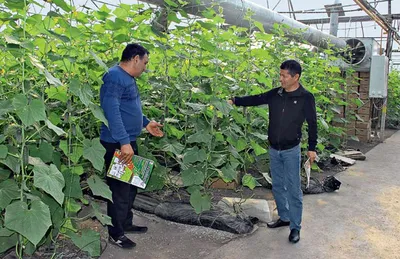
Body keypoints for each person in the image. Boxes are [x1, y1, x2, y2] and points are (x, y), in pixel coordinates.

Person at [228, 60, 317, 243]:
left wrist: (312, 148)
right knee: (277, 186)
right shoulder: (276, 94)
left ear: (296, 77)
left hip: (291, 149)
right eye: (280, 74)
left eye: (285, 75)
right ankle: (284, 218)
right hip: (274, 149)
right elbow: (256, 99)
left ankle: (295, 227)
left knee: (293, 189)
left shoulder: (305, 97)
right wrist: (235, 101)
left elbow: (313, 123)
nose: (281, 79)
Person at [100, 43, 164, 249]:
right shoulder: (114, 77)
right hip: (117, 143)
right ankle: (115, 233)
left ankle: (125, 224)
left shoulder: (127, 78)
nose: (146, 67)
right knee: (119, 191)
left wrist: (146, 123)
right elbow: (112, 111)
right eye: (145, 62)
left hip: (127, 141)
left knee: (130, 187)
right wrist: (124, 142)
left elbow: (129, 107)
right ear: (135, 58)